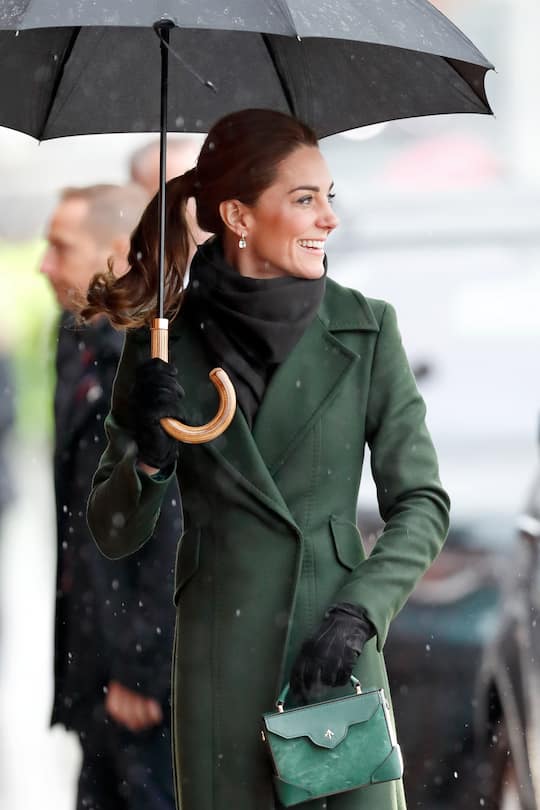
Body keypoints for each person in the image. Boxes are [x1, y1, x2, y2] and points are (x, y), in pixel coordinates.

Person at [84, 109, 451, 810]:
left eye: (329, 196)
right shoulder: (164, 340)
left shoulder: (367, 328)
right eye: (305, 198)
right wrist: (151, 464)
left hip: (337, 659)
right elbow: (112, 528)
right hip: (224, 660)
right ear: (239, 216)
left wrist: (360, 613)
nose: (329, 220)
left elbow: (422, 504)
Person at [40, 184, 178, 810]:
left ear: (118, 254)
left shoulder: (149, 361)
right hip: (94, 669)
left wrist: (140, 667)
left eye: (61, 247)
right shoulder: (76, 345)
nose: (44, 264)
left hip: (138, 687)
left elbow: (167, 519)